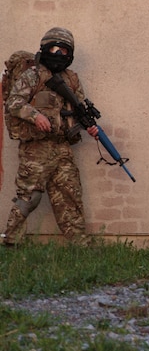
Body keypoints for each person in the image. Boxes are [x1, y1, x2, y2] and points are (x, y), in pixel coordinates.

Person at [0, 27, 99, 247]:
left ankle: (80, 244)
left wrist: (90, 127)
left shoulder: (71, 80)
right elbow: (14, 103)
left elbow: (79, 107)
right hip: (36, 148)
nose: (58, 54)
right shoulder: (33, 75)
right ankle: (11, 241)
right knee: (29, 196)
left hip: (62, 147)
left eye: (64, 51)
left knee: (69, 194)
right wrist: (35, 116)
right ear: (45, 48)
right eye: (54, 48)